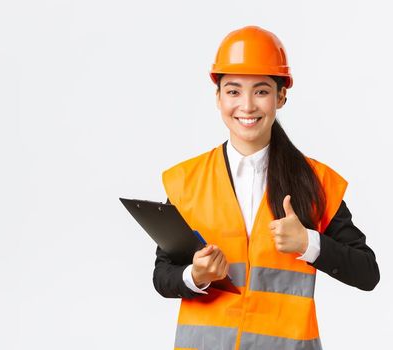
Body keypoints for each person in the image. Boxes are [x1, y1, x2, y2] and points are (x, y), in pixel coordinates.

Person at [152, 26, 379, 350]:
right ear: (217, 97)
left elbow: (367, 272)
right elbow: (163, 276)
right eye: (233, 91)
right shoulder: (187, 182)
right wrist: (196, 275)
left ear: (281, 96)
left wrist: (308, 243)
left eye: (260, 91)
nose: (246, 105)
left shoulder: (314, 182)